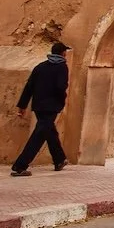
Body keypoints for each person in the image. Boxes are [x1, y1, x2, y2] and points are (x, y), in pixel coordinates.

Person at [12, 42, 71, 176]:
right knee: (38, 136)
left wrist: (22, 105)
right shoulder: (62, 67)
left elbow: (29, 86)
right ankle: (20, 165)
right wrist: (61, 102)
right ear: (63, 53)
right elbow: (61, 87)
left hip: (38, 106)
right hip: (51, 107)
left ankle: (59, 159)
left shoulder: (40, 67)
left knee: (49, 132)